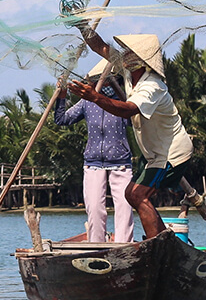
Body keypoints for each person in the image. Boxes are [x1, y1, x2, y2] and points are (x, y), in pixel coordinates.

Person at [68, 28, 193, 239]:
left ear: (142, 60)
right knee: (133, 194)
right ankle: (163, 239)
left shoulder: (152, 86)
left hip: (172, 154)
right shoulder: (128, 73)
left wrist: (96, 98)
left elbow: (128, 109)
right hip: (157, 156)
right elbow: (101, 47)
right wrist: (83, 26)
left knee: (136, 194)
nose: (124, 54)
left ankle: (159, 245)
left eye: (129, 52)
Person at [54, 61, 134, 243]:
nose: (102, 83)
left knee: (124, 208)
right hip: (93, 163)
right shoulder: (87, 102)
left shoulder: (124, 100)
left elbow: (138, 123)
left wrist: (128, 103)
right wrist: (62, 95)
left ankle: (123, 247)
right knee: (95, 210)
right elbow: (61, 119)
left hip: (120, 162)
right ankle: (96, 246)